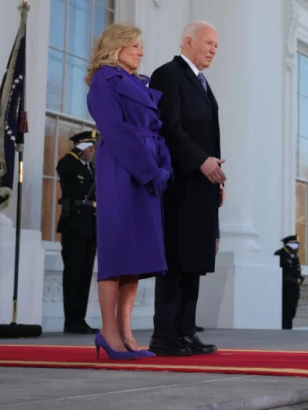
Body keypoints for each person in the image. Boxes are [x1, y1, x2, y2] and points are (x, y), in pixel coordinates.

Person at [85, 22, 172, 360]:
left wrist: (165, 166)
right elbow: (117, 131)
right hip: (122, 169)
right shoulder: (104, 82)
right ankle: (108, 332)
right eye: (135, 45)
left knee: (135, 255)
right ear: (117, 47)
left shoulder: (138, 84)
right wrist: (150, 170)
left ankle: (125, 331)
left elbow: (157, 130)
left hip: (146, 170)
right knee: (117, 250)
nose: (141, 51)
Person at [147, 20, 224, 356]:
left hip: (203, 184)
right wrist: (199, 161)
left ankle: (186, 331)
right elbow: (170, 128)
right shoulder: (168, 74)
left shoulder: (202, 83)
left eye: (216, 46)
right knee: (176, 260)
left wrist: (216, 175)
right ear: (188, 41)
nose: (213, 49)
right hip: (180, 184)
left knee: (194, 261)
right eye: (208, 43)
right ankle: (164, 334)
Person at [56, 130, 99, 335]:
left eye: (92, 148)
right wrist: (76, 150)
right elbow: (63, 169)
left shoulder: (91, 168)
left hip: (90, 227)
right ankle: (71, 321)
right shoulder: (70, 164)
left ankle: (79, 319)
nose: (92, 151)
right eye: (88, 148)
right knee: (73, 275)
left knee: (84, 276)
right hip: (74, 226)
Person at [274, 235, 305, 329]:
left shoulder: (294, 256)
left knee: (292, 310)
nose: (298, 246)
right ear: (289, 244)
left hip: (294, 287)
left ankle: (288, 328)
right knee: (285, 310)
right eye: (296, 244)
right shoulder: (280, 254)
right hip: (285, 287)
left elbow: (297, 271)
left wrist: (299, 279)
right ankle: (284, 328)